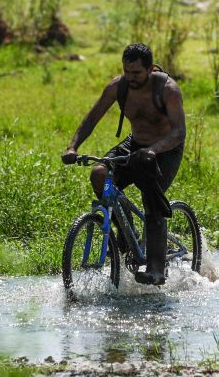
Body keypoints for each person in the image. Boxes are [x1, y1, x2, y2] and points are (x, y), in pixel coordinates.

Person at [62, 43, 186, 286]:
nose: (131, 78)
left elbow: (179, 132)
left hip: (165, 149)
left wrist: (153, 150)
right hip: (134, 144)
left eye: (137, 73)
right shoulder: (118, 87)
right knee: (99, 173)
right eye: (127, 72)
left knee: (152, 199)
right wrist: (72, 146)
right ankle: (125, 234)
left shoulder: (168, 89)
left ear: (150, 69)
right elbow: (92, 117)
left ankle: (156, 269)